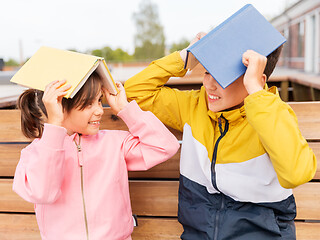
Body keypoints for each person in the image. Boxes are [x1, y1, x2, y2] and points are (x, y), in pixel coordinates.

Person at [124, 33, 317, 240]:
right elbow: (135, 91)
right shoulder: (194, 106)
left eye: (223, 77)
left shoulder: (271, 114)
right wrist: (185, 57)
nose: (209, 85)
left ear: (255, 80)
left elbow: (297, 174)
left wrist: (257, 94)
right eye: (207, 72)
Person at [12, 72, 180, 240]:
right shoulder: (36, 153)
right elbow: (43, 193)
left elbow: (165, 146)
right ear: (60, 106)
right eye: (88, 104)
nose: (100, 110)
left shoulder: (115, 143)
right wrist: (54, 125)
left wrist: (125, 109)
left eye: (99, 100)